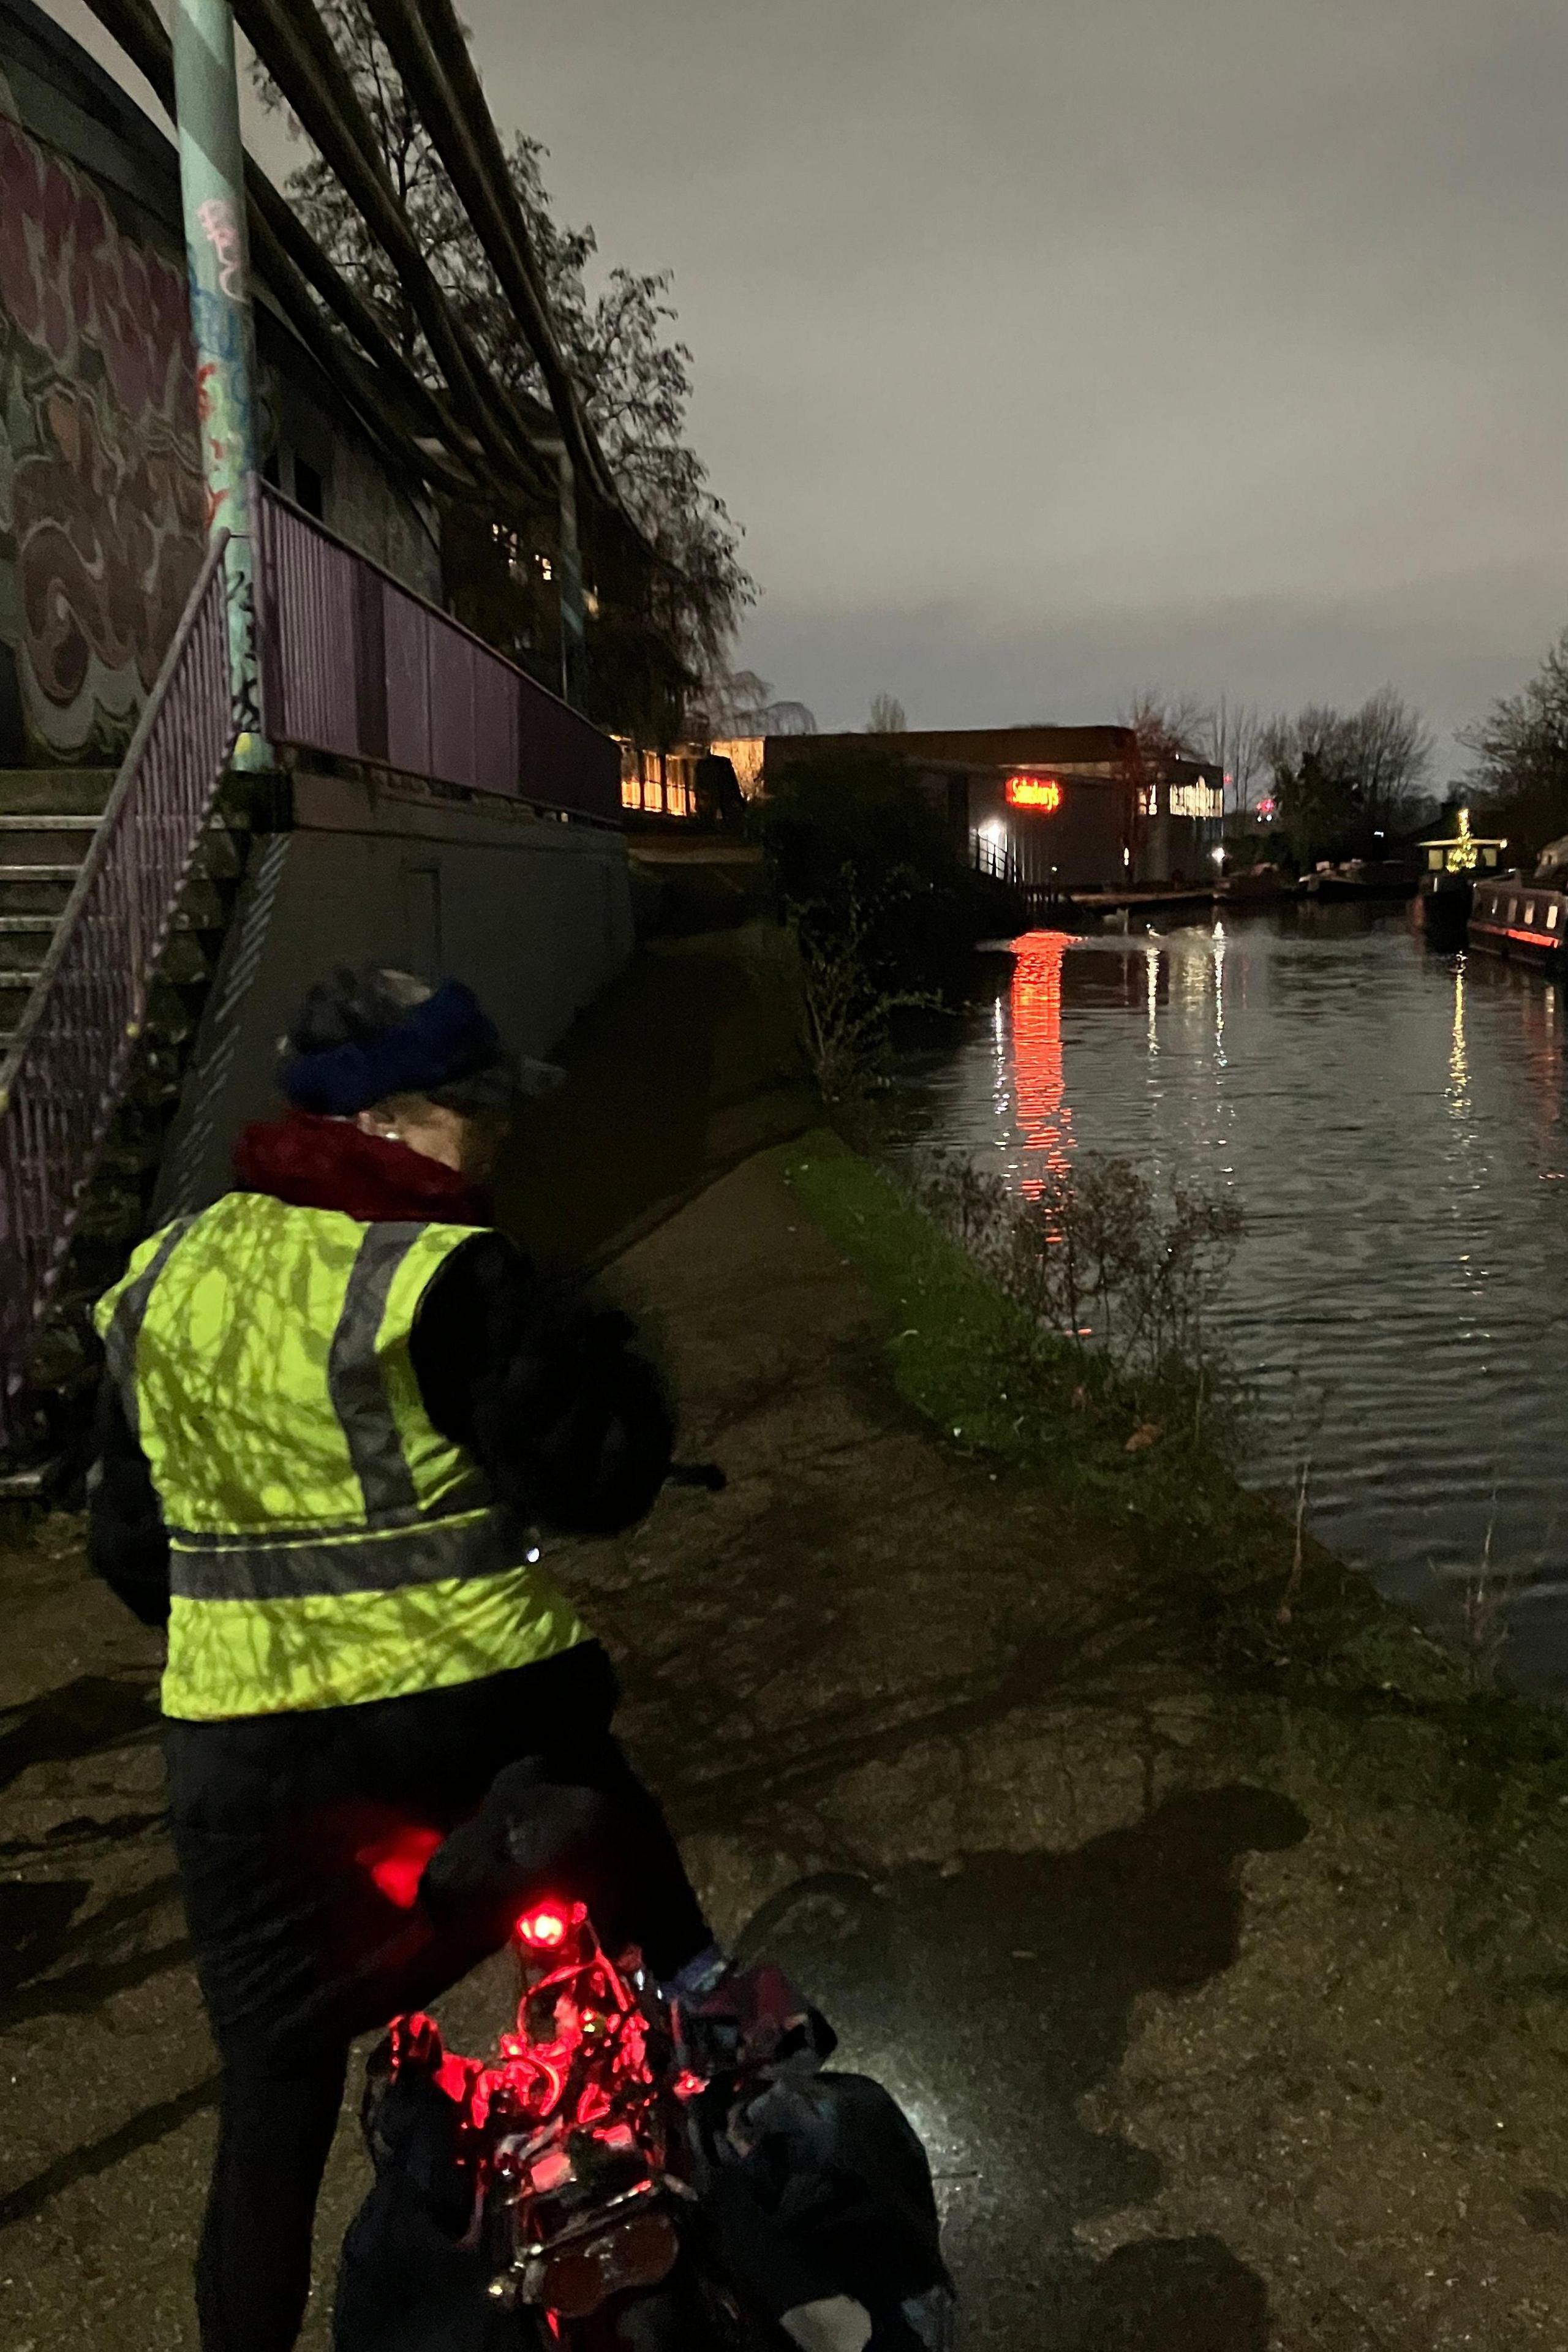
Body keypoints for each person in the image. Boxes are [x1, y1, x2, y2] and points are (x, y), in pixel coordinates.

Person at [88, 966, 725, 2352]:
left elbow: (133, 1553)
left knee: (273, 2101)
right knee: (615, 1842)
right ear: (391, 1117)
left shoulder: (163, 1278)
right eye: (471, 1108)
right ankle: (721, 2046)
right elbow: (595, 1475)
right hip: (466, 1731)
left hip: (239, 1771)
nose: (493, 1136)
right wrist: (615, 1358)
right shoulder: (445, 1274)